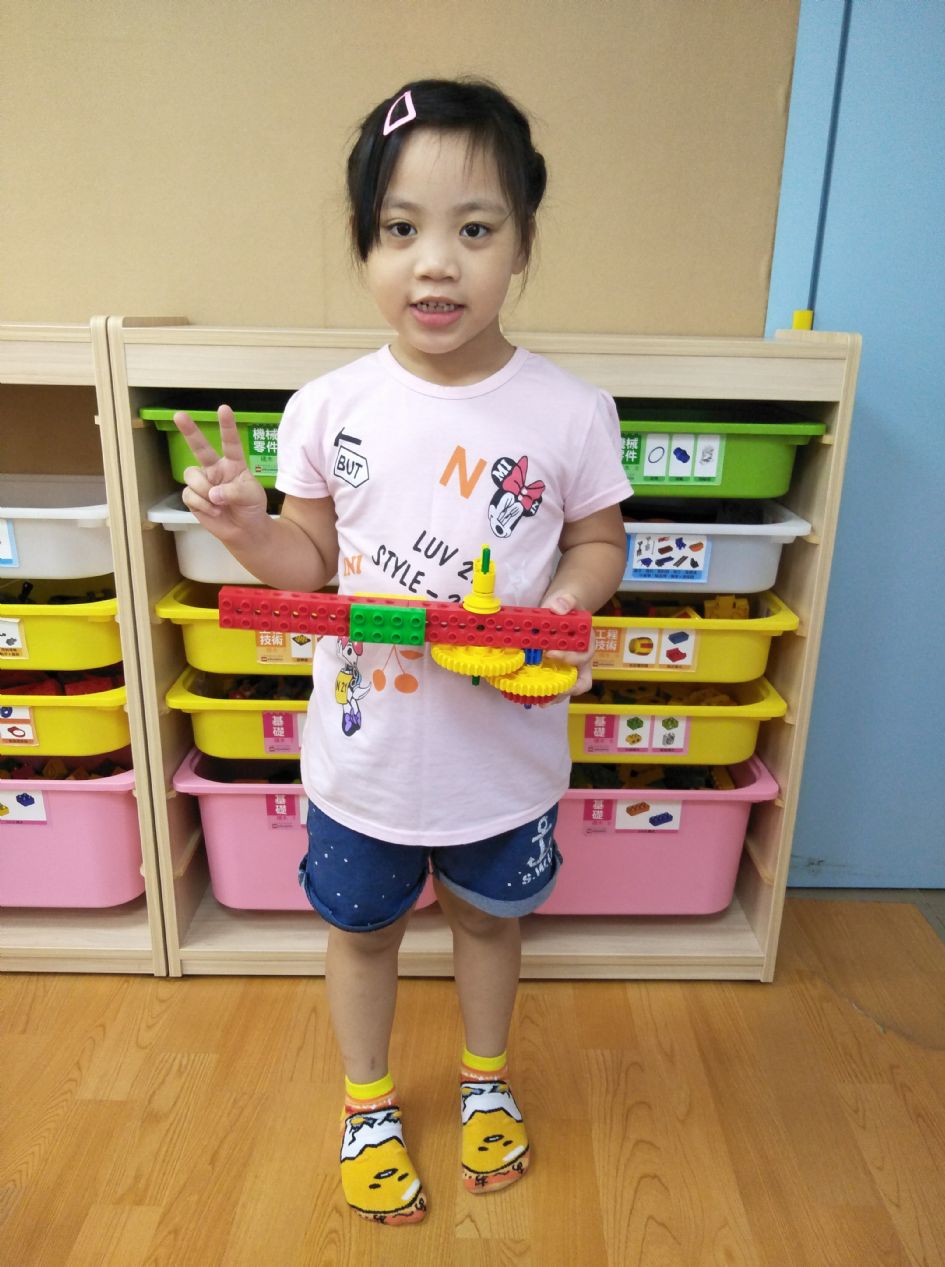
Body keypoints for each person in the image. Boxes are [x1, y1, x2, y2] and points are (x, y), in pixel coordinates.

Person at [173, 77, 631, 1226]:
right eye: (400, 228)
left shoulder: (570, 412)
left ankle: (484, 1081)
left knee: (487, 919)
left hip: (503, 757)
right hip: (364, 760)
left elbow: (598, 539)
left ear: (522, 241)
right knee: (362, 932)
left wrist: (564, 601)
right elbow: (305, 563)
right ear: (364, 242)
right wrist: (244, 530)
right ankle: (367, 1103)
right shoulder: (330, 407)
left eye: (473, 229)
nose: (436, 264)